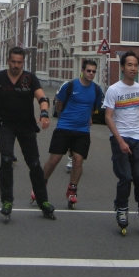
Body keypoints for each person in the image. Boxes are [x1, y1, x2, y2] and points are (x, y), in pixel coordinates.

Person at [0, 46, 55, 221]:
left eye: (19, 62)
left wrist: (44, 113)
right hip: (5, 125)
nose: (16, 65)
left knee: (34, 164)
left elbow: (42, 98)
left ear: (23, 62)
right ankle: (7, 201)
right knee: (6, 161)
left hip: (26, 126)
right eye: (13, 62)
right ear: (8, 61)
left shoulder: (30, 78)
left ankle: (43, 201)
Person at [35, 59, 103, 209]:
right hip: (64, 127)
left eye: (93, 71)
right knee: (54, 159)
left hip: (82, 130)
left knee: (78, 160)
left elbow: (93, 107)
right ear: (82, 71)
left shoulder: (97, 90)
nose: (91, 74)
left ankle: (72, 191)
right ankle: (40, 185)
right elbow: (59, 104)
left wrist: (87, 117)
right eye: (88, 71)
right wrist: (64, 119)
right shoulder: (70, 86)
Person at [103, 51, 139, 235]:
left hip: (137, 138)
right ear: (122, 67)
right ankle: (121, 209)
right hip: (119, 138)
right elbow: (108, 117)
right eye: (129, 65)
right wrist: (119, 140)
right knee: (125, 177)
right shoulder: (114, 90)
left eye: (135, 65)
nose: (133, 68)